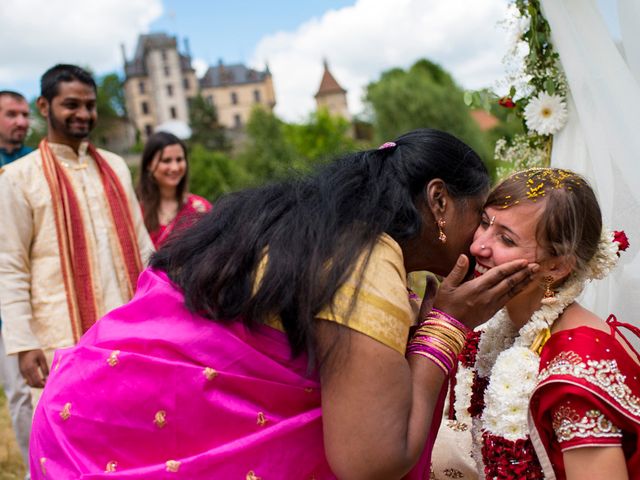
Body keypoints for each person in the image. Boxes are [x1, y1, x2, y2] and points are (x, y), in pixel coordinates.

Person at [29, 129, 538, 479]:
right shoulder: (364, 258)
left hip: (93, 405)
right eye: (481, 217)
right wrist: (445, 328)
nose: (479, 243)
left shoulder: (325, 223)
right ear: (440, 202)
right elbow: (371, 460)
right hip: (112, 442)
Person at [433, 168, 637, 480]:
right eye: (485, 223)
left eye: (506, 239)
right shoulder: (502, 331)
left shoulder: (577, 368)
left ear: (556, 266)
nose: (478, 247)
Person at [0, 65, 154, 408]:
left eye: (90, 105)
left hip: (125, 328)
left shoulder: (114, 167)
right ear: (44, 106)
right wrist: (24, 343)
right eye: (71, 105)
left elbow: (144, 247)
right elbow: (10, 265)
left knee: (130, 428)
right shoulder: (18, 177)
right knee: (67, 439)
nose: (83, 114)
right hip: (59, 335)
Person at [0, 90, 33, 479]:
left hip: (37, 293)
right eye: (11, 114)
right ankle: (32, 469)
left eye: (25, 114)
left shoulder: (34, 164)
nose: (21, 121)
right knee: (19, 392)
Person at [136, 131, 211, 248]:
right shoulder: (136, 213)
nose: (175, 167)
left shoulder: (200, 207)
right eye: (166, 160)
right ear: (149, 165)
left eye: (179, 159)